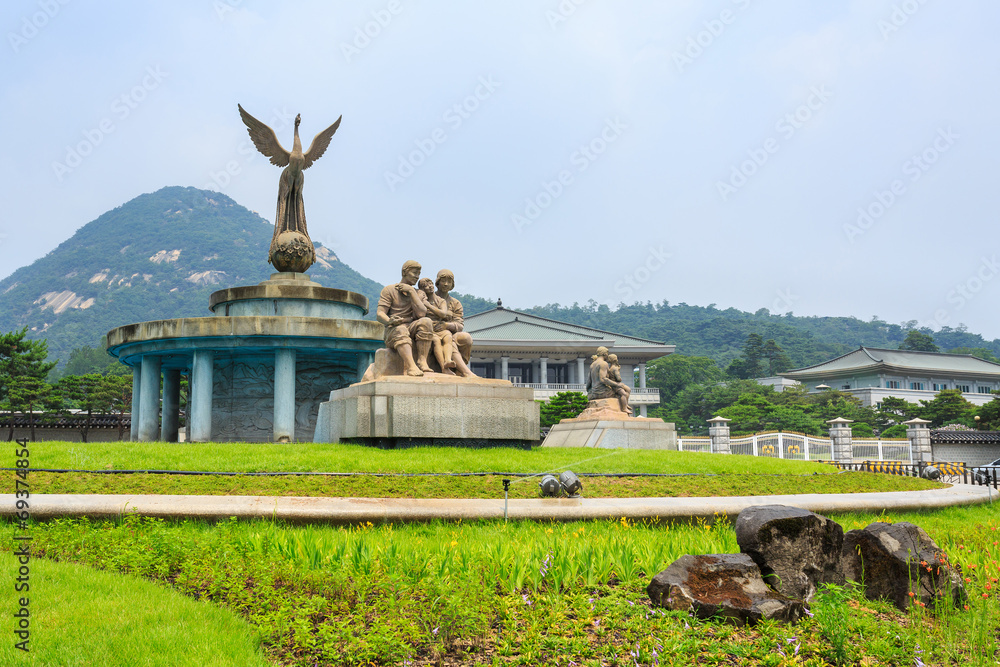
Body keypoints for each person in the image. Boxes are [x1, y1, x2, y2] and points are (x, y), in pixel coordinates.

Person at [376, 260, 434, 376]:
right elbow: (380, 314)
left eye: (419, 274)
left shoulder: (418, 293)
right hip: (394, 329)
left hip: (411, 326)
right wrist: (389, 320)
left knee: (426, 321)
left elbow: (422, 314)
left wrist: (412, 292)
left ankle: (422, 361)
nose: (417, 277)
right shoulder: (389, 290)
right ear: (404, 272)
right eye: (414, 273)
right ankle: (411, 367)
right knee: (400, 329)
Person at [433, 269, 478, 378]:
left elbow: (459, 325)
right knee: (449, 341)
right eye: (443, 281)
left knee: (466, 338)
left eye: (449, 281)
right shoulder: (429, 299)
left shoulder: (455, 303)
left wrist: (447, 325)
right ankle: (465, 372)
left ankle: (459, 369)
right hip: (433, 332)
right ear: (438, 282)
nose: (446, 284)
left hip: (450, 331)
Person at [417, 277, 457, 374]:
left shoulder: (441, 301)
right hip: (430, 329)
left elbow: (443, 313)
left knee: (448, 336)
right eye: (425, 286)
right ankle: (444, 368)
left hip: (440, 327)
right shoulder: (421, 302)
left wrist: (428, 305)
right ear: (422, 290)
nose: (429, 286)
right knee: (436, 341)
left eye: (430, 284)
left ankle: (448, 360)